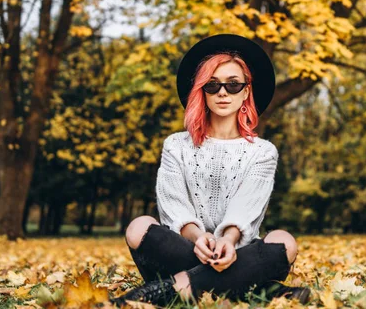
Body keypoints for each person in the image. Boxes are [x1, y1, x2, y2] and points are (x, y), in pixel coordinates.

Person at [112, 34, 310, 307]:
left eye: (233, 84)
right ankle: (261, 290)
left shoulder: (262, 152)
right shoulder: (175, 146)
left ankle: (165, 291)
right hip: (185, 249)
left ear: (246, 92)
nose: (222, 93)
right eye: (213, 85)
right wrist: (199, 237)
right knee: (138, 227)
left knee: (284, 241)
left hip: (238, 253)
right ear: (201, 91)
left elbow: (245, 212)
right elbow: (174, 208)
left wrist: (227, 240)